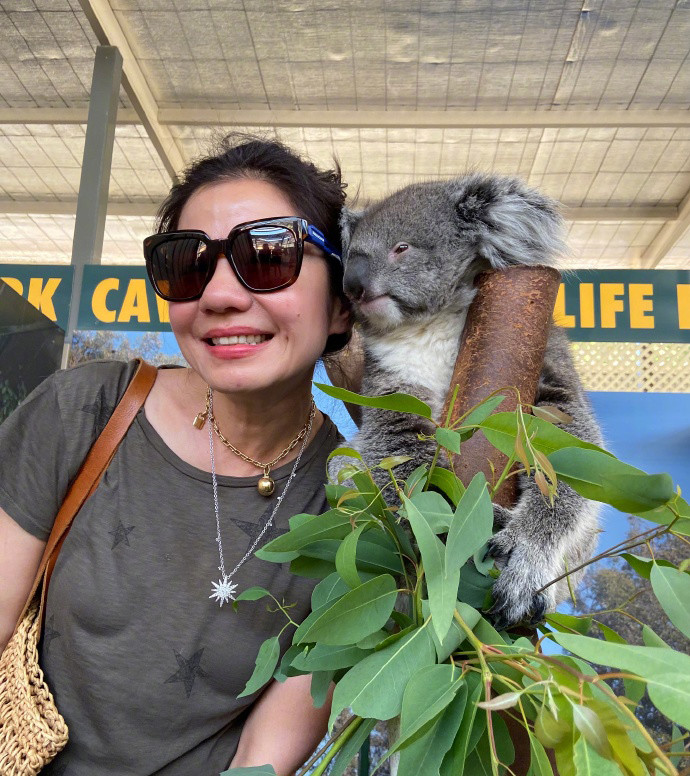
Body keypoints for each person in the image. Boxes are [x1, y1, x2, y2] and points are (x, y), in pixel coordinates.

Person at [0, 136, 352, 775]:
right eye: (188, 264)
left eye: (268, 256)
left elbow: (261, 759)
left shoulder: (356, 510)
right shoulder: (84, 411)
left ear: (342, 303)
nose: (217, 295)